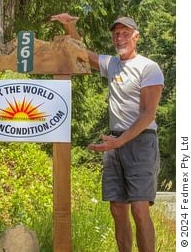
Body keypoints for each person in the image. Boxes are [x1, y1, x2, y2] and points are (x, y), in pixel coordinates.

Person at [51, 13, 164, 252]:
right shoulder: (112, 64)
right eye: (116, 34)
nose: (120, 38)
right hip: (114, 140)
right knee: (117, 208)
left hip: (141, 140)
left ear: (136, 37)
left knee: (140, 209)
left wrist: (119, 142)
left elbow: (147, 115)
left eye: (125, 33)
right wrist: (70, 26)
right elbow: (82, 54)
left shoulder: (149, 67)